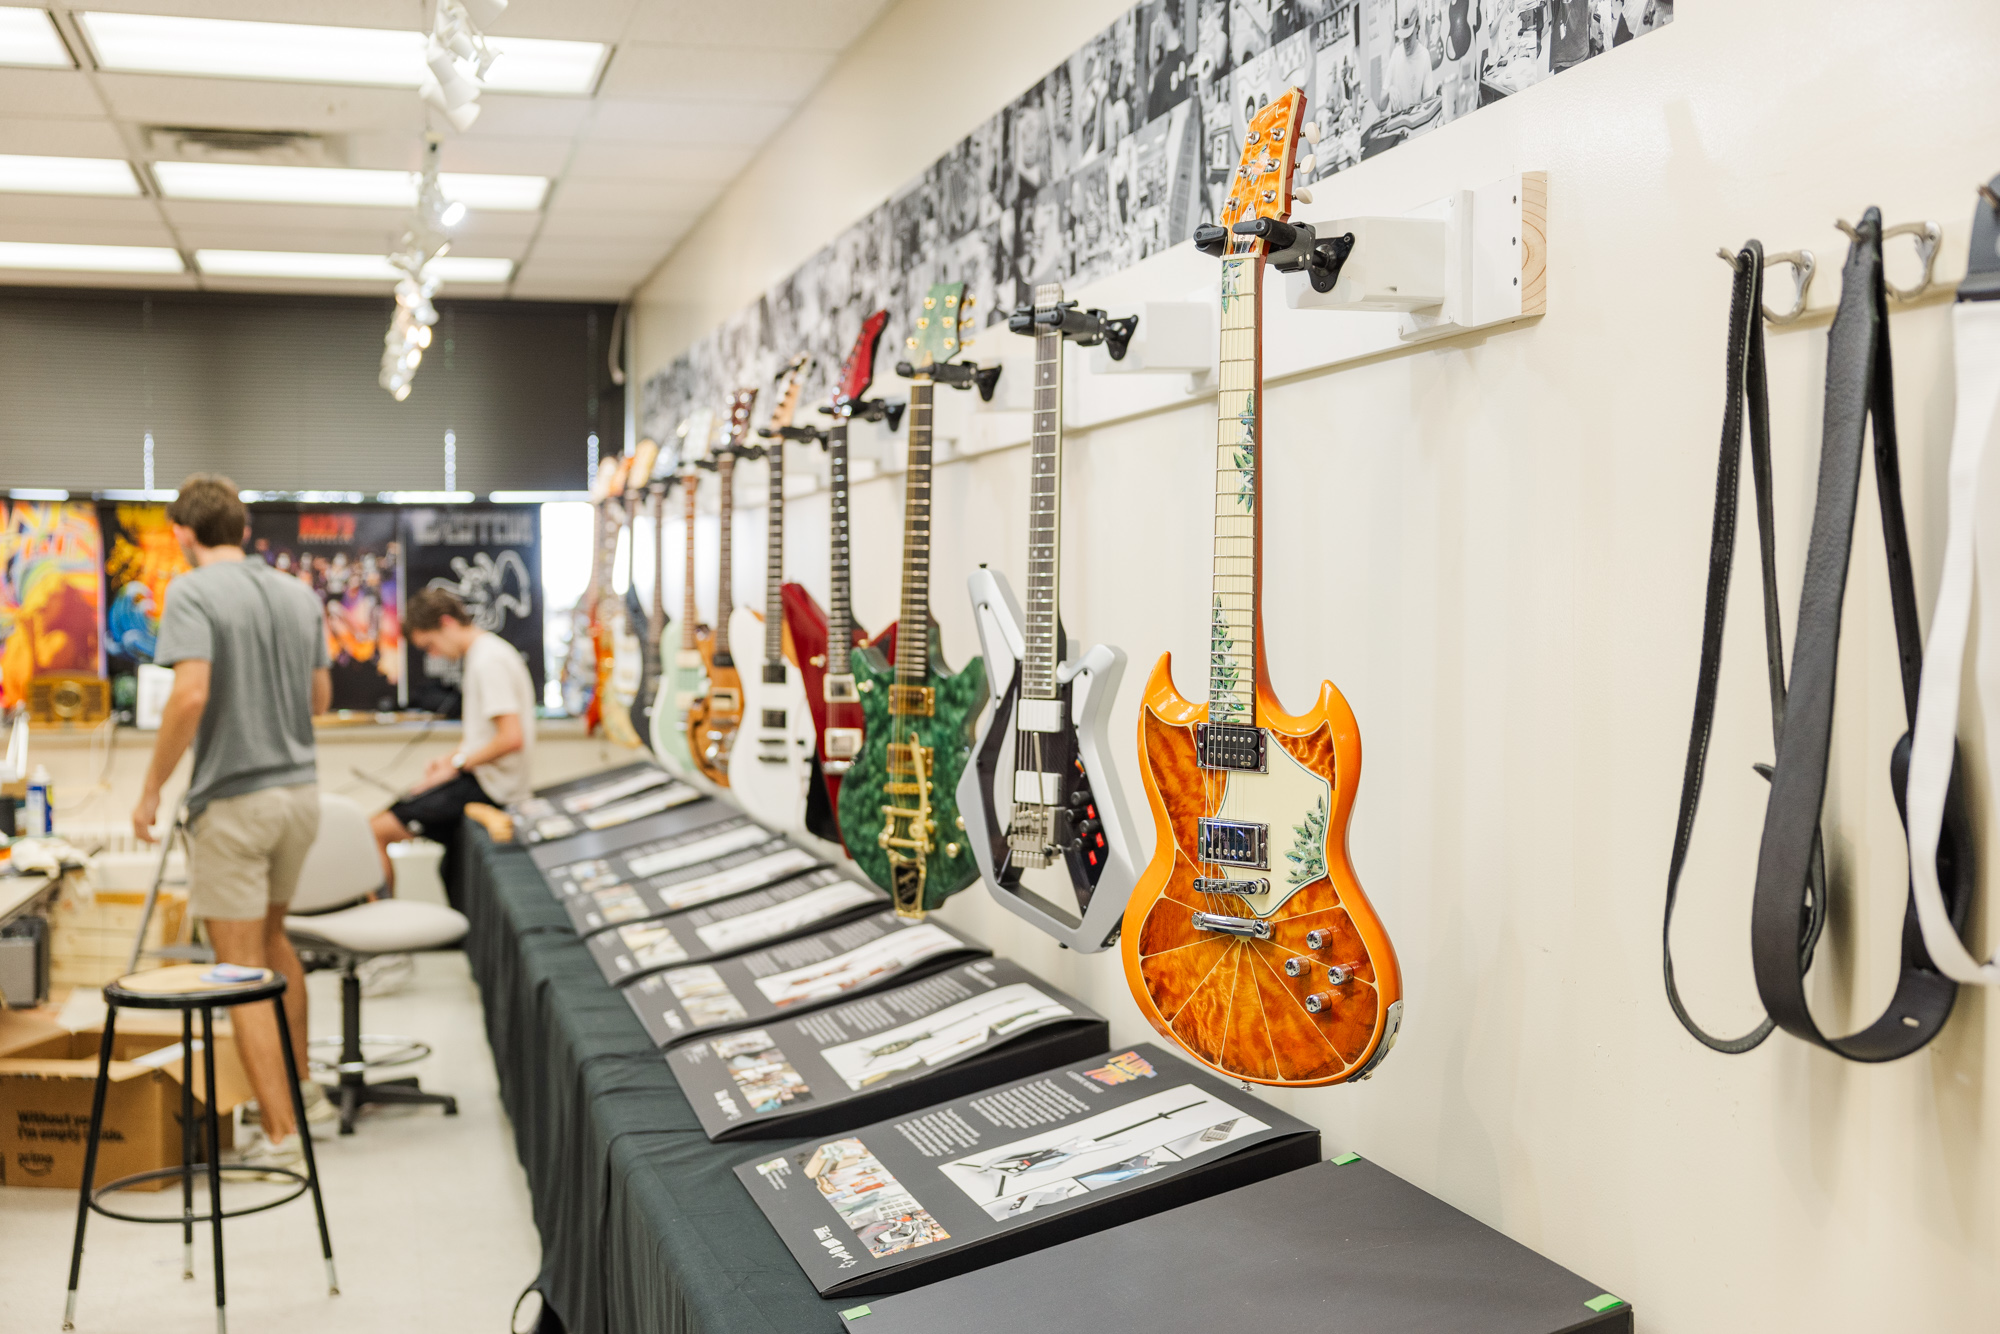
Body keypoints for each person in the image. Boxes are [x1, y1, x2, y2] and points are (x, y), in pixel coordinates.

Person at [133, 474, 336, 1175]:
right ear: (242, 531)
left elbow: (189, 695)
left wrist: (151, 788)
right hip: (301, 798)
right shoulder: (297, 593)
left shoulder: (191, 591)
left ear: (185, 535)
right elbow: (319, 695)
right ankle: (306, 1099)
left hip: (236, 805)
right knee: (275, 941)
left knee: (238, 966)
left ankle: (279, 1136)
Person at [371, 588, 536, 899]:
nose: (433, 655)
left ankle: (382, 921)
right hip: (481, 779)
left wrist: (457, 765)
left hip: (490, 788)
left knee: (373, 831)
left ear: (447, 623)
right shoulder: (483, 655)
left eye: (430, 645)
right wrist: (450, 759)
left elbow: (511, 738)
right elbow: (485, 736)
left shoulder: (489, 661)